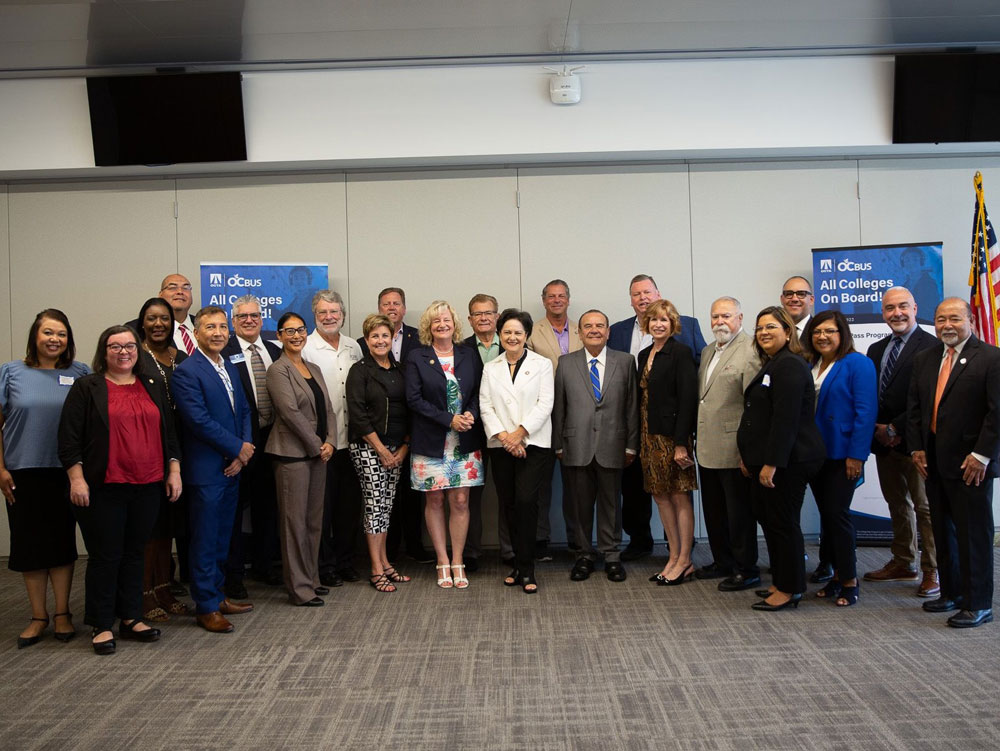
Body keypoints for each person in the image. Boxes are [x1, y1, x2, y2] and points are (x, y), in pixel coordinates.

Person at [58, 325, 181, 655]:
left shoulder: (152, 385)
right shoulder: (88, 387)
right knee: (105, 556)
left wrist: (174, 471)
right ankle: (100, 623)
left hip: (149, 484)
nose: (123, 351)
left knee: (134, 553)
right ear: (104, 351)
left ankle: (131, 617)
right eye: (115, 346)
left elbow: (169, 434)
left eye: (129, 345)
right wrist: (77, 479)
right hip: (104, 486)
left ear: (138, 350)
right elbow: (68, 440)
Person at [907, 298, 1000, 628]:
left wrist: (981, 455)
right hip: (932, 461)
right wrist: (917, 448)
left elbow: (996, 413)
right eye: (941, 318)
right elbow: (916, 407)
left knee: (973, 533)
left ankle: (978, 604)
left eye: (954, 318)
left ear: (970, 320)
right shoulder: (925, 358)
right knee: (943, 531)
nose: (947, 325)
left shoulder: (991, 358)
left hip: (971, 463)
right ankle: (952, 593)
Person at [1, 309, 89, 649]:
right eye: (48, 333)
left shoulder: (80, 372)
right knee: (29, 545)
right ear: (35, 337)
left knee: (62, 542)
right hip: (21, 472)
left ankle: (63, 613)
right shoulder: (11, 371)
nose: (55, 339)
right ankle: (38, 616)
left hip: (68, 472)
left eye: (61, 334)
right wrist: (0, 469)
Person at [607, 274, 706, 562]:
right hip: (642, 429)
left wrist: (681, 438)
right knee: (648, 490)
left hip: (672, 431)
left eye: (647, 292)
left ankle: (680, 553)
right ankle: (646, 543)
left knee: (677, 492)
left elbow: (693, 382)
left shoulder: (685, 336)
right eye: (636, 294)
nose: (642, 298)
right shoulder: (628, 339)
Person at [172, 306, 255, 634]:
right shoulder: (187, 371)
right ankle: (205, 606)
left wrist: (244, 449)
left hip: (233, 468)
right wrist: (237, 447)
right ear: (196, 332)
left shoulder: (229, 365)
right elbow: (198, 421)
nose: (218, 332)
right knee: (205, 540)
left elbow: (245, 409)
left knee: (223, 538)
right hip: (207, 470)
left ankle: (219, 595)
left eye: (222, 326)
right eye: (210, 327)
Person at [737, 306, 825, 611]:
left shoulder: (789, 365)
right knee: (772, 521)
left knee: (783, 523)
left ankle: (790, 589)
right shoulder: (774, 364)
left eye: (771, 327)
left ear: (788, 332)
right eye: (760, 328)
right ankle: (781, 581)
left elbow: (785, 420)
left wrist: (772, 463)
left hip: (789, 461)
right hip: (769, 460)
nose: (763, 333)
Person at [553, 310, 639, 583]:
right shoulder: (565, 363)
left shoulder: (625, 362)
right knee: (578, 506)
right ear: (579, 332)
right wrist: (557, 444)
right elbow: (559, 408)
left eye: (599, 326)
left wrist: (631, 446)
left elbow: (632, 407)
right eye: (587, 326)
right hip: (575, 445)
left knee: (611, 504)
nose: (594, 330)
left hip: (614, 445)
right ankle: (584, 556)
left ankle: (611, 556)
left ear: (608, 331)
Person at [864, 287, 940, 596]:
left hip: (917, 442)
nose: (897, 313)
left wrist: (895, 427)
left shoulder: (932, 346)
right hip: (884, 442)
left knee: (925, 507)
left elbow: (930, 397)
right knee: (896, 502)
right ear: (883, 313)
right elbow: (872, 395)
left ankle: (933, 569)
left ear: (915, 307)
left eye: (903, 307)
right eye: (890, 308)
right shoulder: (876, 349)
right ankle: (903, 561)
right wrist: (880, 429)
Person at [405, 300, 484, 590]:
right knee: (435, 500)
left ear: (455, 324)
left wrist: (469, 415)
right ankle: (442, 560)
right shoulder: (417, 356)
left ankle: (458, 560)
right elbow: (414, 399)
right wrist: (448, 419)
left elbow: (478, 392)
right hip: (431, 440)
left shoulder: (469, 354)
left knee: (460, 501)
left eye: (446, 320)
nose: (442, 324)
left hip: (465, 439)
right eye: (436, 320)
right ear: (428, 326)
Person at [802, 311, 878, 607]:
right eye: (817, 331)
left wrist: (856, 455)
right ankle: (835, 576)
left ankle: (849, 580)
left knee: (838, 515)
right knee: (828, 516)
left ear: (842, 333)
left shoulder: (858, 363)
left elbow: (865, 412)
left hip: (842, 453)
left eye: (830, 331)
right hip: (815, 453)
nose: (823, 336)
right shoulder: (812, 363)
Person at [265, 312, 337, 607]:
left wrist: (331, 441)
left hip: (319, 453)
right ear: (280, 336)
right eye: (289, 331)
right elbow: (290, 412)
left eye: (300, 329)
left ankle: (312, 579)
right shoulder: (277, 370)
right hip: (292, 454)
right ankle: (299, 588)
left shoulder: (314, 368)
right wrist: (317, 444)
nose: (296, 335)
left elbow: (329, 409)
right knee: (294, 523)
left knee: (313, 521)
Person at [480, 309, 554, 594]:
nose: (512, 337)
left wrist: (519, 434)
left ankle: (528, 567)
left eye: (518, 332)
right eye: (507, 332)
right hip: (501, 447)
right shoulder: (491, 367)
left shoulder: (542, 364)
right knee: (508, 504)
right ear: (500, 334)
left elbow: (545, 404)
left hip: (532, 445)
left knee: (526, 502)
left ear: (527, 336)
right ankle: (516, 564)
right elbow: (485, 405)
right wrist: (505, 438)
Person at [695, 297, 762, 591]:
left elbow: (754, 405)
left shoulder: (750, 350)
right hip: (707, 447)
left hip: (735, 447)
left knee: (739, 514)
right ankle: (722, 561)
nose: (719, 321)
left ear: (740, 317)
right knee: (714, 511)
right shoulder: (709, 350)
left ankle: (746, 569)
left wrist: (749, 450)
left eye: (726, 315)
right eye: (714, 316)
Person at [360, 287, 430, 564]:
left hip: (412, 428)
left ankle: (414, 546)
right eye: (386, 303)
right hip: (377, 434)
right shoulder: (363, 344)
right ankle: (388, 553)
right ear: (379, 308)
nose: (391, 307)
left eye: (396, 303)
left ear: (404, 308)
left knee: (411, 493)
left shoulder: (419, 338)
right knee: (381, 498)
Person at [134, 297, 192, 621]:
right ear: (142, 322)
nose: (159, 324)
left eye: (164, 319)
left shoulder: (180, 358)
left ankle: (163, 587)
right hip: (149, 452)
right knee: (149, 528)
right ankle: (144, 594)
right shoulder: (136, 359)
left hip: (180, 450)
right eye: (152, 318)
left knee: (168, 526)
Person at [221, 294, 282, 597]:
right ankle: (233, 575)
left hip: (273, 440)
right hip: (241, 443)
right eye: (242, 316)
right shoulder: (225, 351)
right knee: (234, 510)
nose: (249, 320)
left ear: (262, 319)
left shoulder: (273, 349)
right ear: (233, 322)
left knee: (267, 506)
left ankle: (264, 565)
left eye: (254, 315)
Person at [302, 290, 364, 587]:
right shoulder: (306, 348)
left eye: (334, 312)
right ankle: (324, 565)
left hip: (353, 441)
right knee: (321, 510)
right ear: (315, 315)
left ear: (343, 315)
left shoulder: (354, 347)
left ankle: (346, 561)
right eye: (323, 312)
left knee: (348, 508)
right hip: (323, 443)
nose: (329, 317)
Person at [346, 314, 411, 593]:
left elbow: (410, 410)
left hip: (398, 450)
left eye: (385, 336)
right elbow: (358, 416)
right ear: (367, 340)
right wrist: (382, 450)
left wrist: (403, 448)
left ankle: (385, 562)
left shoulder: (400, 369)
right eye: (375, 336)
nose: (380, 341)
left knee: (386, 507)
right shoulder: (359, 371)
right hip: (369, 448)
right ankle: (375, 569)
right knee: (374, 507)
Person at [636, 300, 698, 586]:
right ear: (646, 324)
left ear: (673, 324)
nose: (658, 324)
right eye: (653, 320)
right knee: (661, 496)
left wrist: (682, 443)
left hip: (672, 438)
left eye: (664, 320)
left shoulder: (681, 352)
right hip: (649, 437)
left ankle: (685, 559)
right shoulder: (645, 354)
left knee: (679, 495)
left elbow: (687, 400)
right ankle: (673, 556)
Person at [778, 275, 832, 583]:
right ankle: (793, 564)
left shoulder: (822, 331)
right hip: (791, 440)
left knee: (830, 508)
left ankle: (831, 564)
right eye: (789, 294)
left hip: (822, 436)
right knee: (788, 510)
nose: (794, 298)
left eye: (801, 294)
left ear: (812, 298)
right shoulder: (777, 334)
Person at [526, 279, 582, 560]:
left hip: (578, 415)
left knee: (576, 483)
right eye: (551, 296)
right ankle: (540, 540)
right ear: (544, 300)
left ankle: (577, 541)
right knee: (541, 483)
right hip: (543, 416)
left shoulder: (582, 329)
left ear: (569, 300)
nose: (556, 300)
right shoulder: (532, 333)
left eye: (561, 296)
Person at [462, 293, 501, 573]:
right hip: (472, 431)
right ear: (469, 319)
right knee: (470, 497)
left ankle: (510, 550)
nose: (484, 318)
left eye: (488, 313)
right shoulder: (460, 349)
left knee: (509, 493)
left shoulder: (515, 341)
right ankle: (471, 551)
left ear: (497, 316)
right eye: (478, 314)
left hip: (506, 432)